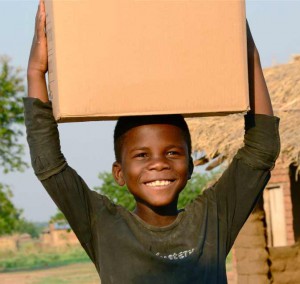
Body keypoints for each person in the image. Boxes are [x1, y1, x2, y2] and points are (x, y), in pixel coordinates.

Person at [25, 1, 280, 283]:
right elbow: (49, 164)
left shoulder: (213, 218)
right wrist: (36, 71)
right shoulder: (103, 223)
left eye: (172, 152)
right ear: (118, 173)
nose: (159, 163)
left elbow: (262, 150)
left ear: (191, 165)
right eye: (142, 155)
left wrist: (247, 55)